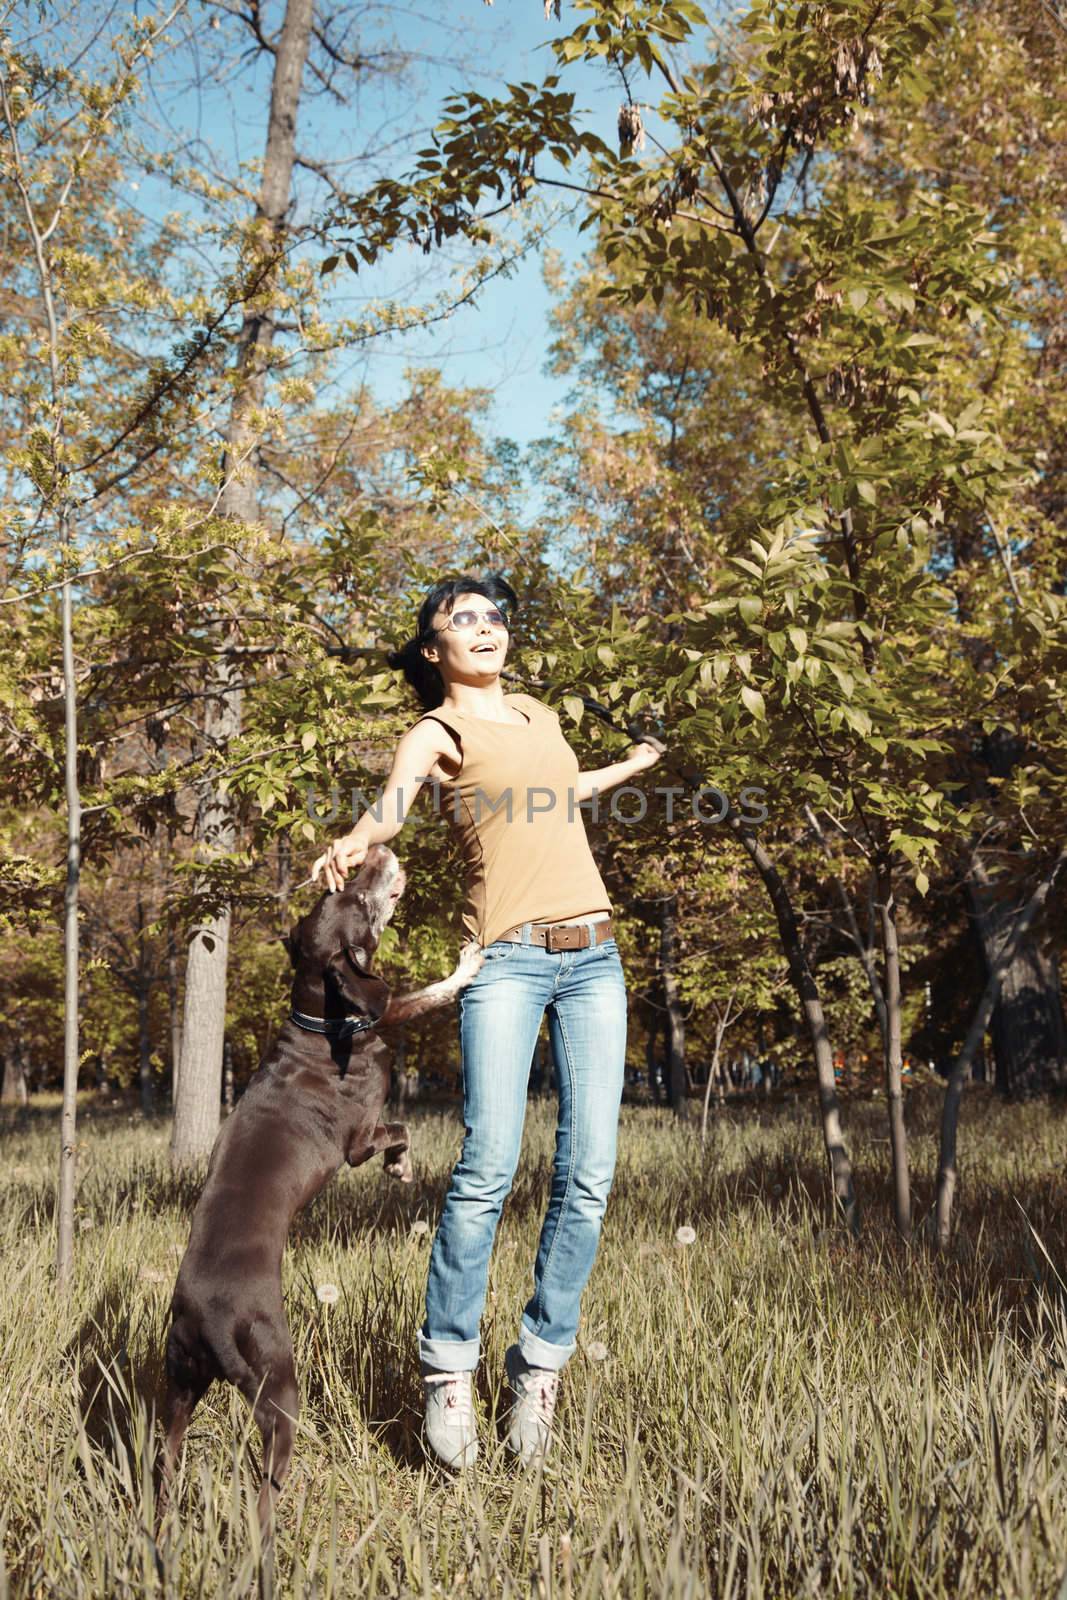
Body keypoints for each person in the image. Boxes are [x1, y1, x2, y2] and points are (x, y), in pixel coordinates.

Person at [312, 573, 662, 1469]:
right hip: (506, 960)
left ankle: (538, 1369)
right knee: (487, 1168)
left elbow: (552, 793)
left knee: (587, 1173)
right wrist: (358, 839)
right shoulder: (437, 730)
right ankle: (449, 1370)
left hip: (595, 957)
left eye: (495, 616)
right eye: (462, 619)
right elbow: (394, 801)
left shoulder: (540, 716)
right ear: (434, 650)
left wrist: (625, 769)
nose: (485, 627)